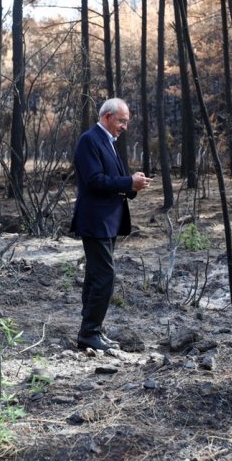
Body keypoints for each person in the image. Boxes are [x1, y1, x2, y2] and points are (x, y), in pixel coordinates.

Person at [70, 98, 153, 350]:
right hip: (95, 221)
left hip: (108, 222)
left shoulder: (109, 143)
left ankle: (90, 331)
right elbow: (95, 181)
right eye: (121, 121)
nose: (125, 126)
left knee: (96, 276)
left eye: (126, 121)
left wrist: (133, 185)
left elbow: (114, 180)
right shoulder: (90, 140)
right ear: (107, 117)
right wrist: (128, 182)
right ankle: (90, 333)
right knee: (105, 276)